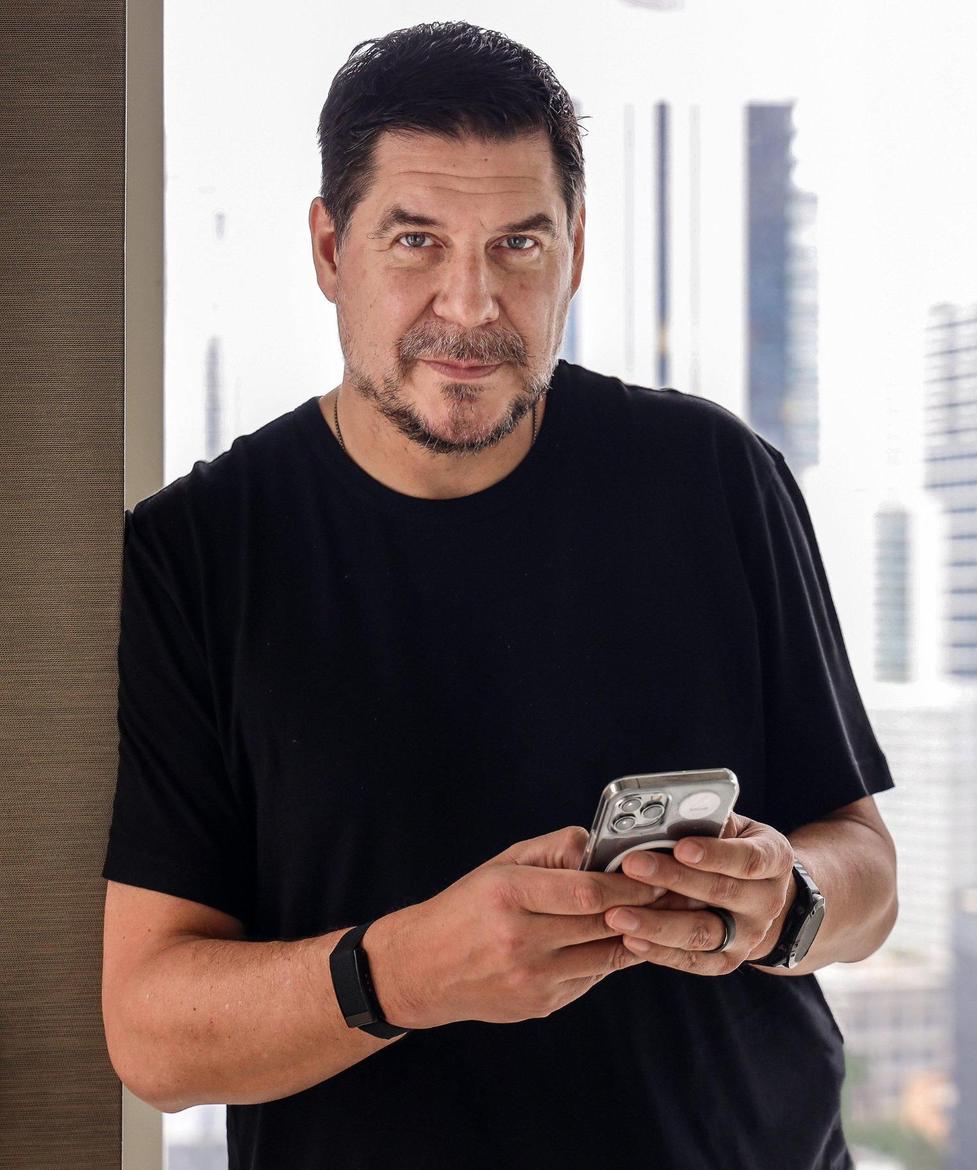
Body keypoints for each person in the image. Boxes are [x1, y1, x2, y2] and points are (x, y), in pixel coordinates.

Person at [100, 20, 898, 1170]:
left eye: (519, 245)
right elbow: (153, 1035)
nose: (470, 307)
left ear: (577, 248)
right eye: (415, 240)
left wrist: (787, 899)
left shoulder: (718, 476)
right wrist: (409, 973)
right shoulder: (195, 552)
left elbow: (866, 878)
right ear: (330, 250)